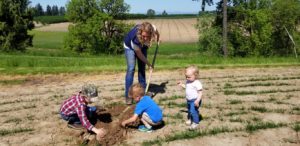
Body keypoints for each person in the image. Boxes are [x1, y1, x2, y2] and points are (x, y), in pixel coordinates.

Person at [124, 22, 160, 105]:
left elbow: (157, 32)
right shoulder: (135, 38)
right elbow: (139, 54)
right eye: (143, 36)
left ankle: (142, 93)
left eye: (147, 36)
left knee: (141, 68)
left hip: (142, 46)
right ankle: (128, 96)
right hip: (129, 47)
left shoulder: (152, 28)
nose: (145, 38)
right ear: (141, 32)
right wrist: (149, 64)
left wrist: (158, 38)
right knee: (131, 68)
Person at [177, 65, 203, 130]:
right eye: (186, 76)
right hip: (189, 100)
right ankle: (191, 119)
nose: (187, 78)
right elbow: (187, 87)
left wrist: (197, 100)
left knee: (193, 111)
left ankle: (196, 123)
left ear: (196, 76)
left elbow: (200, 93)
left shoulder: (197, 83)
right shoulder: (188, 81)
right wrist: (181, 84)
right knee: (190, 111)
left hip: (195, 100)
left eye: (189, 77)